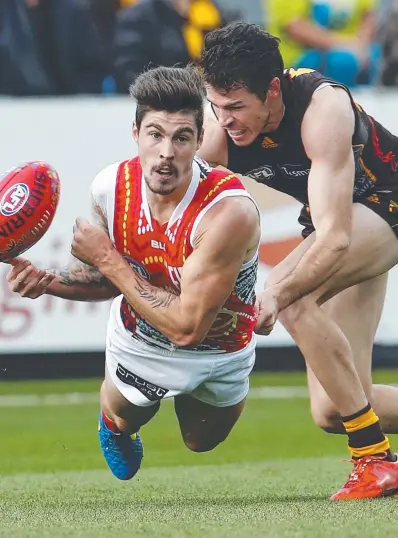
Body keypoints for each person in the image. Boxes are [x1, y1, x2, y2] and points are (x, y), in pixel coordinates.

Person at [6, 65, 261, 481]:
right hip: (141, 338)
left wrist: (108, 259)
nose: (166, 152)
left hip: (219, 345)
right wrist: (46, 280)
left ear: (199, 141)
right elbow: (101, 281)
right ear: (135, 133)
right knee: (126, 416)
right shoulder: (110, 187)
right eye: (155, 134)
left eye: (181, 138)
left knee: (201, 441)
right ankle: (112, 423)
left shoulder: (227, 212)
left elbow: (188, 328)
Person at [198, 21, 398, 500]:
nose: (226, 120)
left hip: (384, 204)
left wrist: (276, 293)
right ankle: (367, 441)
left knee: (292, 296)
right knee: (334, 408)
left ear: (272, 89)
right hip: (341, 222)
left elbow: (334, 238)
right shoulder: (217, 134)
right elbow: (162, 216)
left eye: (237, 107)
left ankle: (374, 461)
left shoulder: (322, 106)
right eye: (216, 106)